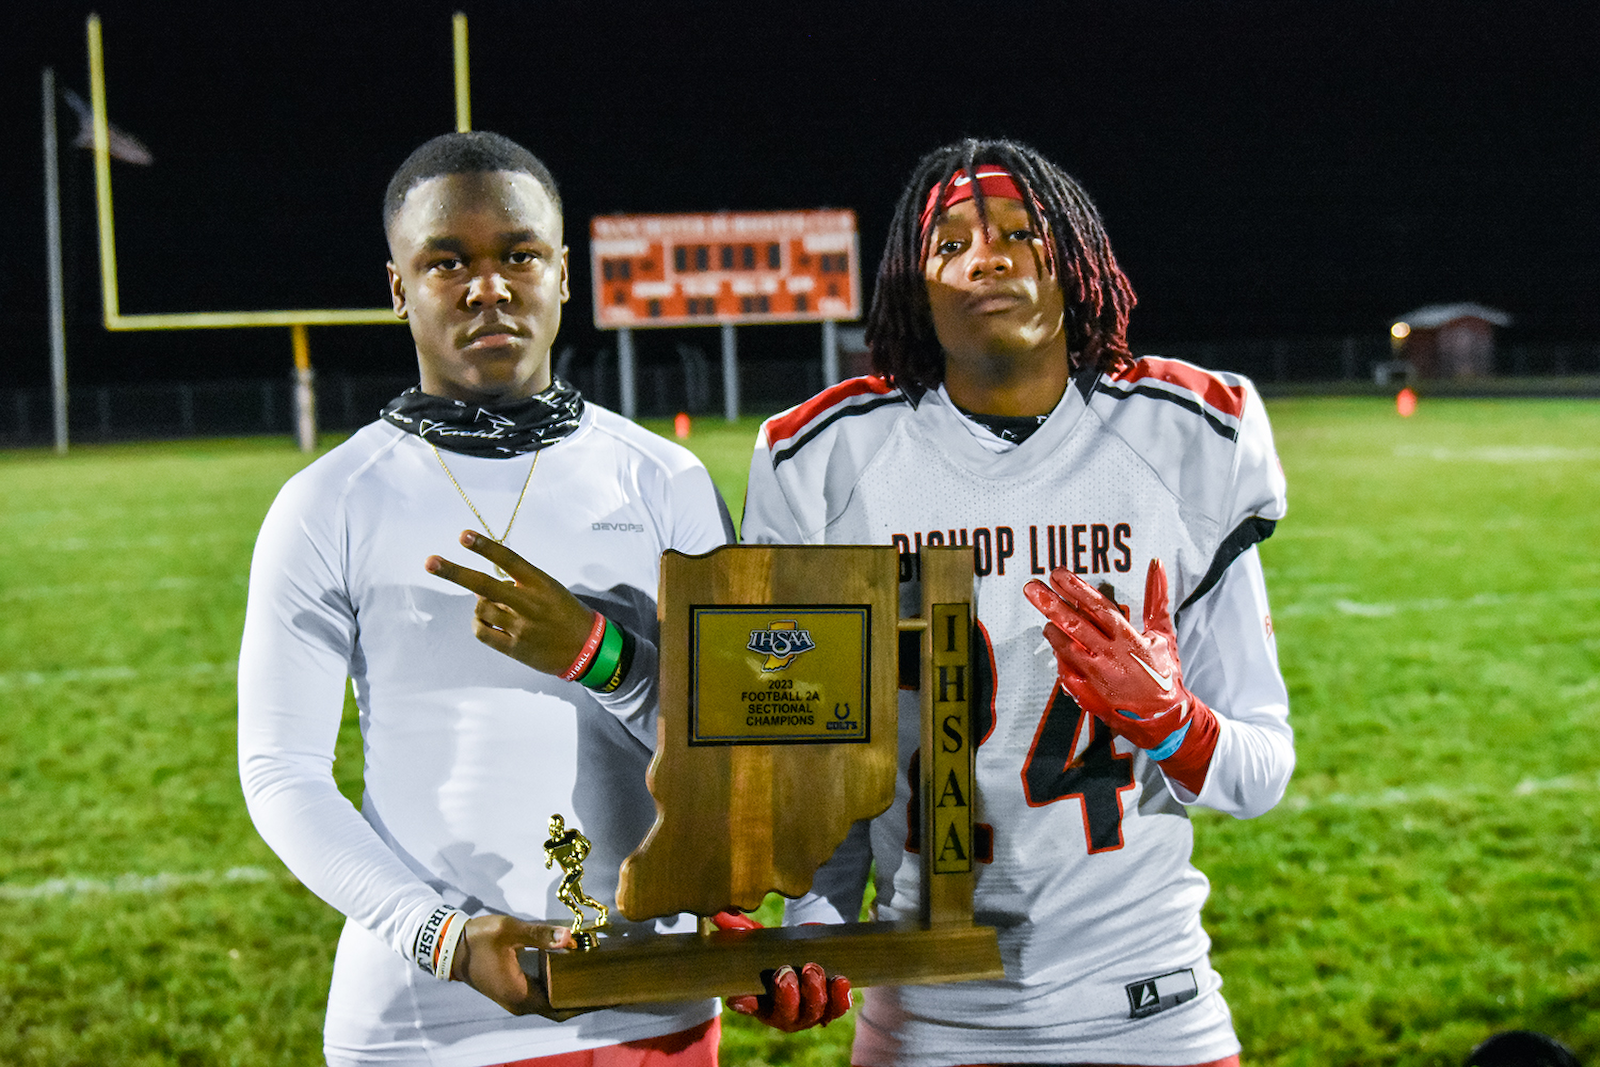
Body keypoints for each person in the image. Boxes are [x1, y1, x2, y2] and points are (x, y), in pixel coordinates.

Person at [740, 137, 1294, 1066]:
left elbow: (1261, 768)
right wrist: (817, 927)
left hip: (1150, 1005)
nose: (985, 258)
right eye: (950, 242)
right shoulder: (825, 458)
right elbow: (820, 756)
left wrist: (1175, 723)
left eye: (1017, 232)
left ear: (1075, 258)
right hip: (927, 1018)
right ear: (912, 284)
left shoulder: (1185, 433)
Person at [238, 130, 736, 1067]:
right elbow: (281, 771)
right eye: (447, 262)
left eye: (519, 254)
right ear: (399, 288)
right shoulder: (328, 501)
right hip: (419, 1024)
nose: (488, 287)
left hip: (649, 1002)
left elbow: (735, 748)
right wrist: (443, 937)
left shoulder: (663, 479)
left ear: (564, 274)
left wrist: (602, 655)